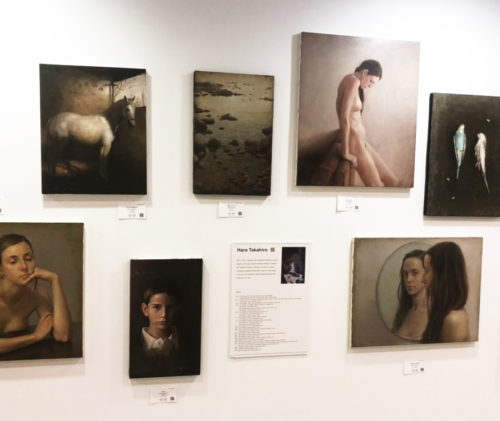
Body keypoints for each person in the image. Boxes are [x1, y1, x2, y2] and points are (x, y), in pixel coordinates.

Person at [311, 59, 399, 187]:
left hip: (360, 142)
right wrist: (345, 152)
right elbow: (344, 118)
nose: (370, 85)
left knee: (393, 182)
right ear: (364, 72)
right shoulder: (353, 81)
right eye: (371, 81)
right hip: (354, 144)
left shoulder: (351, 81)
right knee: (376, 186)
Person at [0, 233, 71, 354]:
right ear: (1, 269)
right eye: (13, 261)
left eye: (28, 259)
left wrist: (54, 280)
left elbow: (62, 335)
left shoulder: (37, 294)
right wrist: (34, 337)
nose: (24, 266)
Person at [421, 242, 470, 343]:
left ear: (443, 276)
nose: (422, 279)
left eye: (427, 271)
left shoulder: (454, 320)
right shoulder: (442, 311)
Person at [392, 249, 428, 342]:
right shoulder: (403, 312)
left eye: (415, 273)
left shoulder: (436, 314)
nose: (408, 279)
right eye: (405, 274)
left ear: (426, 275)